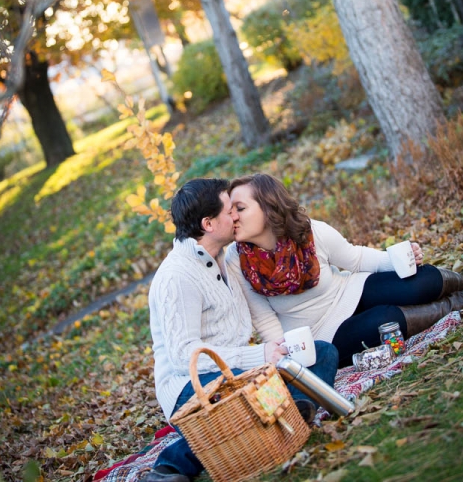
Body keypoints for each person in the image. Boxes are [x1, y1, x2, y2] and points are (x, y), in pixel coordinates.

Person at [141, 178, 339, 482]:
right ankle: (172, 466)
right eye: (229, 211)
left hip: (237, 375)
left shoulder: (228, 257)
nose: (236, 215)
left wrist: (280, 351)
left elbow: (258, 313)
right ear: (208, 224)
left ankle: (273, 420)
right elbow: (183, 357)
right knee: (242, 402)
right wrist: (258, 355)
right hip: (190, 387)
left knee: (321, 353)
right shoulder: (176, 277)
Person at [226, 173, 463, 369]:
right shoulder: (236, 260)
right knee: (387, 321)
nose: (232, 217)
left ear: (268, 207)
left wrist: (396, 259)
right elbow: (265, 320)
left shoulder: (307, 231)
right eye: (230, 210)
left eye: (240, 208)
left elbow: (356, 259)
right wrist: (288, 356)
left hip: (349, 291)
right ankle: (461, 301)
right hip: (322, 333)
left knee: (422, 282)